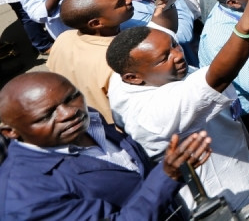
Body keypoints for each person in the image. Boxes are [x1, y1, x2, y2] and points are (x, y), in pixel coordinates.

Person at [106, 0, 249, 210]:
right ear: (133, 78)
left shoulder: (133, 70)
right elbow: (219, 76)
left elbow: (161, 28)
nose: (178, 55)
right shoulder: (155, 113)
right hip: (229, 198)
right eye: (164, 58)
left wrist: (166, 4)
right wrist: (247, 22)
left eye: (174, 46)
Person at [0, 71, 212, 221]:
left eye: (72, 97)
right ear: (11, 132)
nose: (69, 113)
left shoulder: (90, 120)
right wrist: (167, 177)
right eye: (47, 115)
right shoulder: (24, 196)